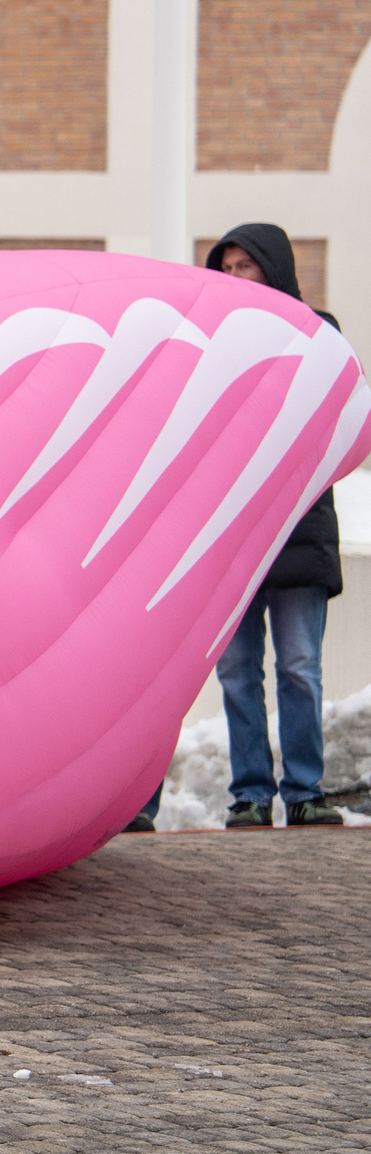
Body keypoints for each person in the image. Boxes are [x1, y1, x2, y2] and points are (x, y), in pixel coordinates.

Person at [207, 224, 346, 830]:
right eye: (227, 267)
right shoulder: (212, 345)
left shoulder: (320, 333)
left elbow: (333, 424)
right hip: (232, 538)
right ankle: (251, 795)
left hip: (297, 533)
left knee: (298, 666)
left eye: (247, 266)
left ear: (275, 269)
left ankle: (305, 792)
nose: (236, 278)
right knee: (237, 671)